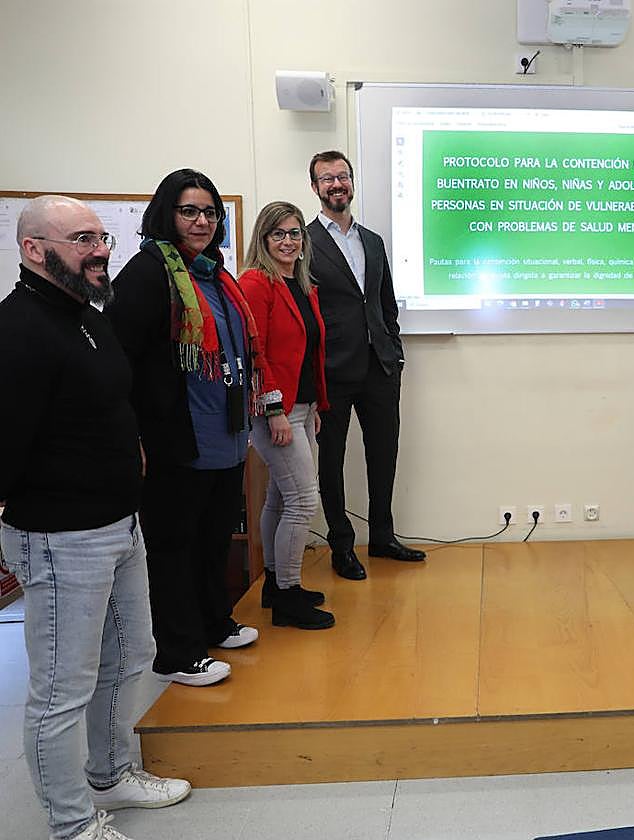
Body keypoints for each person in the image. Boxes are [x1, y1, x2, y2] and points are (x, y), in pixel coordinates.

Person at [0, 195, 190, 840]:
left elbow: (109, 402)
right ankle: (72, 823)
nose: (101, 249)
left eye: (102, 236)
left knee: (133, 655)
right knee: (61, 691)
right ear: (34, 250)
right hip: (59, 538)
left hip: (119, 524)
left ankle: (110, 773)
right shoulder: (19, 329)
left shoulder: (86, 314)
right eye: (83, 239)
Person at [107, 169, 262, 687]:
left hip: (224, 435)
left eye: (209, 212)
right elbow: (121, 361)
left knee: (213, 538)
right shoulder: (149, 274)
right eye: (189, 211)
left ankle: (213, 623)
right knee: (174, 546)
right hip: (175, 439)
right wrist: (135, 436)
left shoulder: (215, 274)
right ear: (166, 214)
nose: (201, 221)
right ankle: (176, 651)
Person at [305, 150, 424, 581]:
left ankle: (383, 537)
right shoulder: (302, 241)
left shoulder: (372, 240)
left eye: (343, 177)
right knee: (331, 461)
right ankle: (341, 544)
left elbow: (384, 303)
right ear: (315, 187)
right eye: (327, 179)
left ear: (352, 183)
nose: (337, 185)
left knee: (384, 454)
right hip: (332, 370)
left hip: (380, 366)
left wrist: (394, 349)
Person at [240, 202, 335, 630]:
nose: (288, 241)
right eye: (278, 234)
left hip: (301, 407)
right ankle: (288, 598)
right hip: (274, 411)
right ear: (263, 239)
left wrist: (315, 405)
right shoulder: (257, 283)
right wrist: (275, 409)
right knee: (302, 500)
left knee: (281, 497)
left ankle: (276, 585)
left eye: (295, 233)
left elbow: (307, 352)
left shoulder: (300, 283)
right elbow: (255, 355)